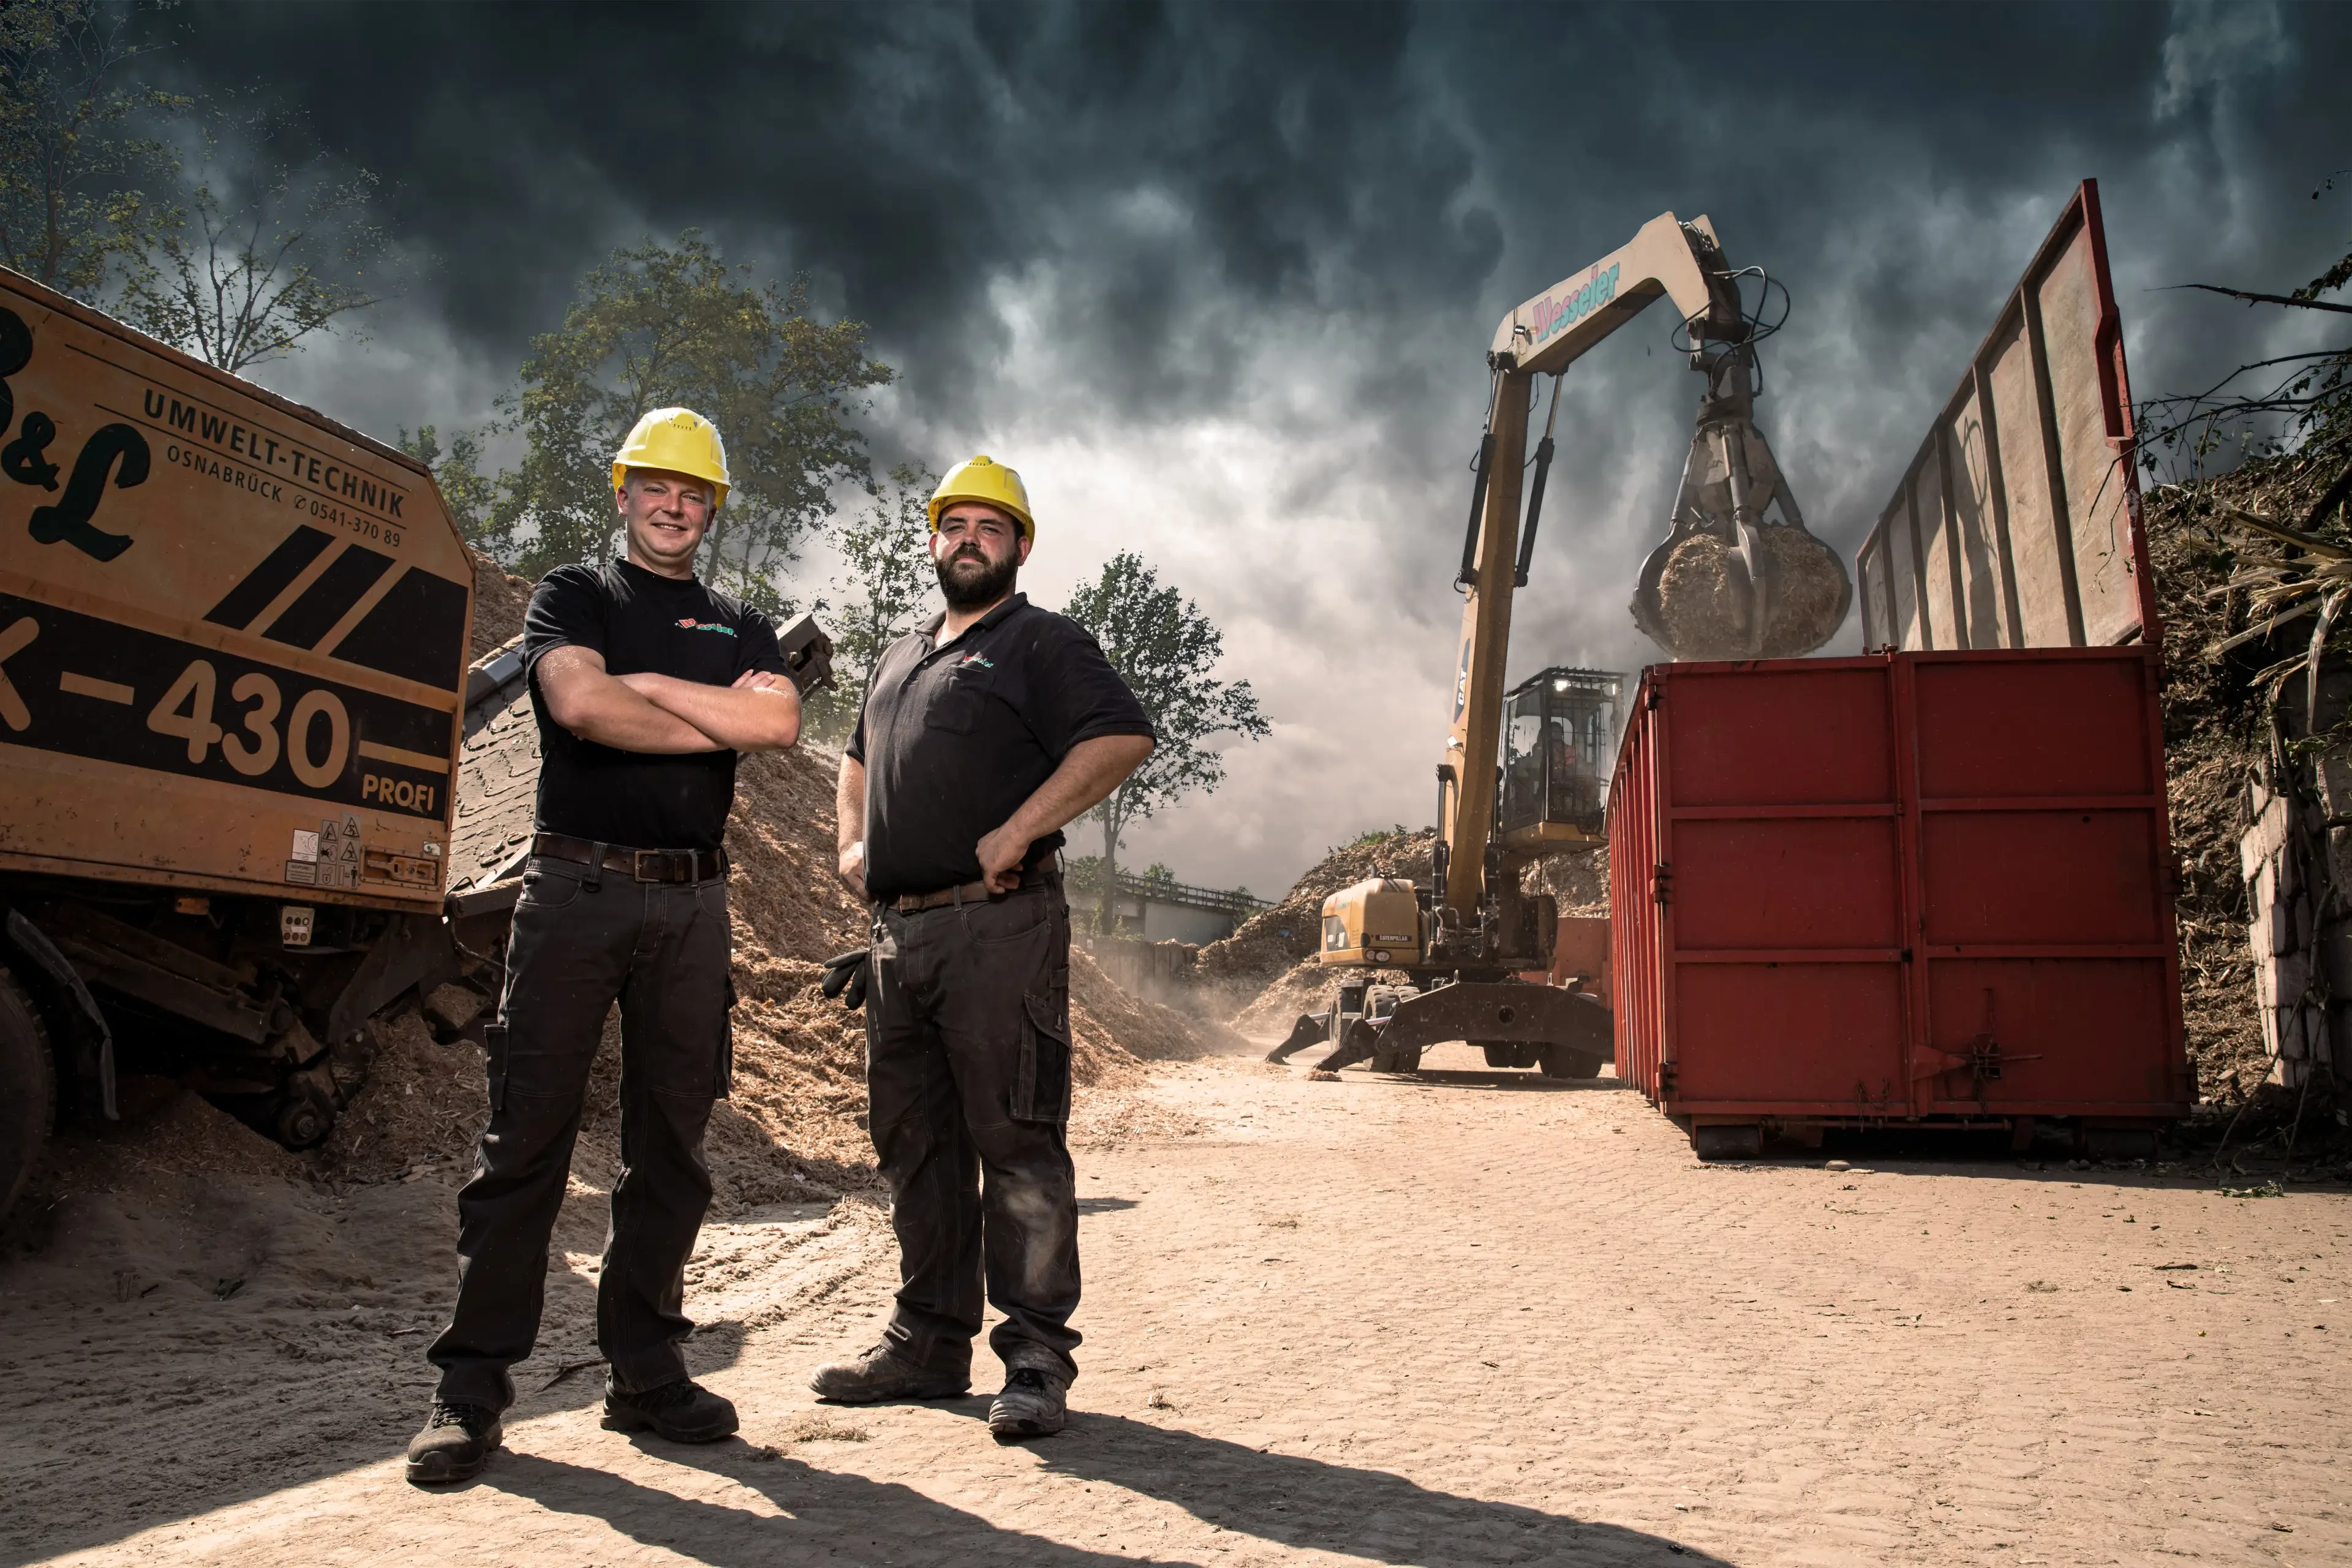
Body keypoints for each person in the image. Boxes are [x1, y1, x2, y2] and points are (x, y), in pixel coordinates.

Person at [407, 407, 804, 1485]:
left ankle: (645, 1374)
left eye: (694, 494)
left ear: (712, 508)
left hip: (691, 906)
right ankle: (472, 1390)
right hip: (574, 888)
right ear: (625, 493)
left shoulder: (740, 623)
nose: (674, 507)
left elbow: (774, 727)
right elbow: (579, 705)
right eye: (656, 489)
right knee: (524, 1140)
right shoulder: (575, 595)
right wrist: (704, 710)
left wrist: (661, 695)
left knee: (670, 1148)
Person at [810, 455, 1153, 1441]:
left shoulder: (1042, 643)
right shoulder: (899, 654)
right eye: (953, 524)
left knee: (1015, 1138)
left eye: (989, 527)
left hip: (1001, 928)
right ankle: (927, 1342)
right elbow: (855, 764)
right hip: (897, 934)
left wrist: (1016, 830)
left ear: (1020, 546)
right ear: (933, 540)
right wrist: (848, 847)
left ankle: (1037, 1357)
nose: (968, 539)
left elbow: (1119, 739)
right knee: (914, 1143)